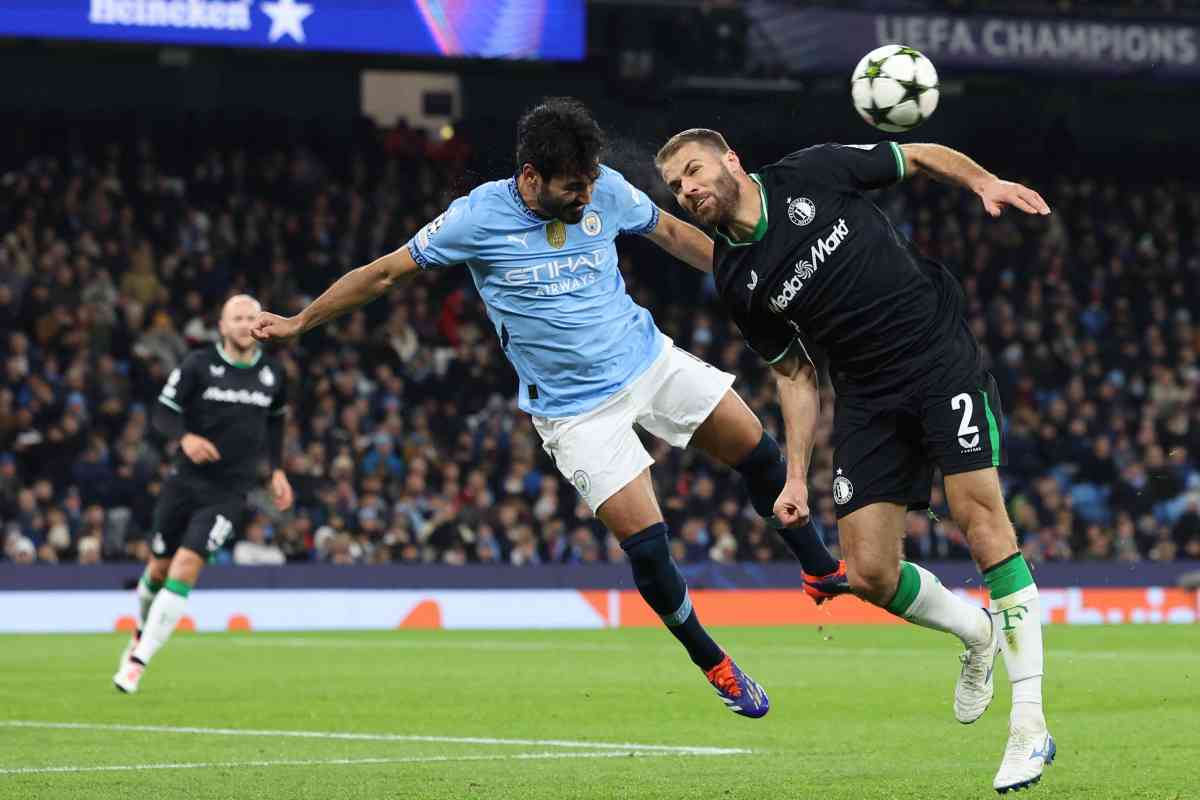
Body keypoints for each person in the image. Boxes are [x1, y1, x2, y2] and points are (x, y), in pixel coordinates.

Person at [252, 98, 849, 719]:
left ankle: (816, 566)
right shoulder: (475, 219)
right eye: (574, 185)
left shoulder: (603, 187)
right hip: (575, 411)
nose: (589, 194)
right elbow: (383, 275)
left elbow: (671, 233)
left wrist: (754, 275)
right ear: (531, 177)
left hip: (646, 360)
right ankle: (714, 662)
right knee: (649, 545)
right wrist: (300, 323)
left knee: (759, 452)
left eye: (592, 179)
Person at [655, 130, 1054, 792]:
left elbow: (920, 154)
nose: (687, 189)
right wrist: (794, 476)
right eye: (675, 186)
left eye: (693, 171)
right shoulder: (735, 278)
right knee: (868, 572)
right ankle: (976, 633)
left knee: (979, 516)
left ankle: (1030, 725)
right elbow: (794, 374)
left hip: (935, 354)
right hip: (865, 395)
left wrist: (982, 181)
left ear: (730, 159)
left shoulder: (811, 171)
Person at [113, 294, 293, 694]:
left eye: (251, 316)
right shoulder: (198, 365)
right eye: (237, 317)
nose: (245, 323)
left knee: (186, 567)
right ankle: (141, 631)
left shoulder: (273, 374)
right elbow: (163, 412)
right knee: (158, 569)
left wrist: (278, 469)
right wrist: (186, 437)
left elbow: (277, 423)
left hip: (229, 492)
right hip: (184, 482)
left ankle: (138, 662)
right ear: (223, 326)